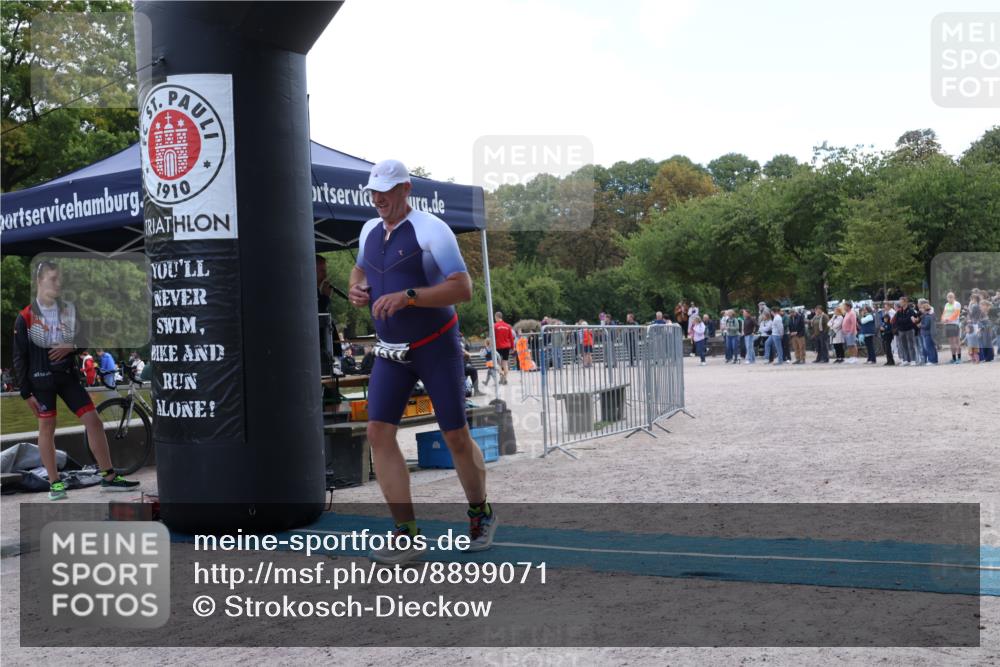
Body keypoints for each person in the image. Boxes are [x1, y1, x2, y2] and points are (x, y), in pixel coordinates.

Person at [348, 159, 496, 563]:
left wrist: (409, 296)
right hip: (391, 351)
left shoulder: (432, 229)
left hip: (435, 345)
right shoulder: (368, 230)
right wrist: (357, 288)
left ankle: (480, 512)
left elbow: (462, 288)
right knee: (378, 433)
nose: (378, 199)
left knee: (455, 437)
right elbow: (358, 271)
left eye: (386, 191)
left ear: (405, 189)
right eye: (373, 192)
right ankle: (406, 534)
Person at [13, 261, 140, 500]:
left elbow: (84, 339)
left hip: (68, 377)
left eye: (59, 280)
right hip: (41, 381)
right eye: (53, 279)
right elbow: (19, 357)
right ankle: (55, 484)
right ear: (39, 281)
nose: (57, 284)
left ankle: (109, 476)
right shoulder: (25, 316)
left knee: (94, 421)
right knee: (47, 428)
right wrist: (25, 392)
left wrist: (70, 346)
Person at [894, 296, 919, 366]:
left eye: (901, 302)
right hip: (901, 330)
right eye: (900, 302)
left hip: (909, 330)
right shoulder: (899, 311)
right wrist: (903, 321)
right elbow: (897, 320)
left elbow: (910, 320)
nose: (900, 303)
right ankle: (906, 360)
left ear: (905, 302)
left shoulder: (911, 311)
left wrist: (903, 320)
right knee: (903, 346)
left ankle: (913, 360)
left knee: (911, 345)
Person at [493, 311, 515, 385]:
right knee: (505, 364)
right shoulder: (508, 326)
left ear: (496, 317)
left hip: (498, 347)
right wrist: (512, 347)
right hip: (506, 347)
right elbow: (511, 338)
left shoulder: (495, 326)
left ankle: (501, 375)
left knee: (498, 364)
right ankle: (505, 379)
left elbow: (493, 337)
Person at [941, 291, 962, 364]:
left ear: (954, 297)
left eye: (951, 297)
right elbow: (944, 313)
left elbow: (956, 314)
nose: (949, 298)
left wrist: (949, 319)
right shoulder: (946, 304)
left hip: (954, 324)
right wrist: (943, 319)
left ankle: (959, 358)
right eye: (948, 297)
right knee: (951, 343)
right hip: (947, 325)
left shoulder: (957, 304)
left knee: (956, 342)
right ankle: (953, 358)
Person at [880, 301, 896, 366]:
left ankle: (891, 360)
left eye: (886, 306)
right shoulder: (886, 313)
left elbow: (891, 324)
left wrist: (885, 329)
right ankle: (888, 360)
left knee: (888, 348)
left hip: (889, 334)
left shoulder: (892, 312)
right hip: (885, 334)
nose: (884, 307)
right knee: (886, 348)